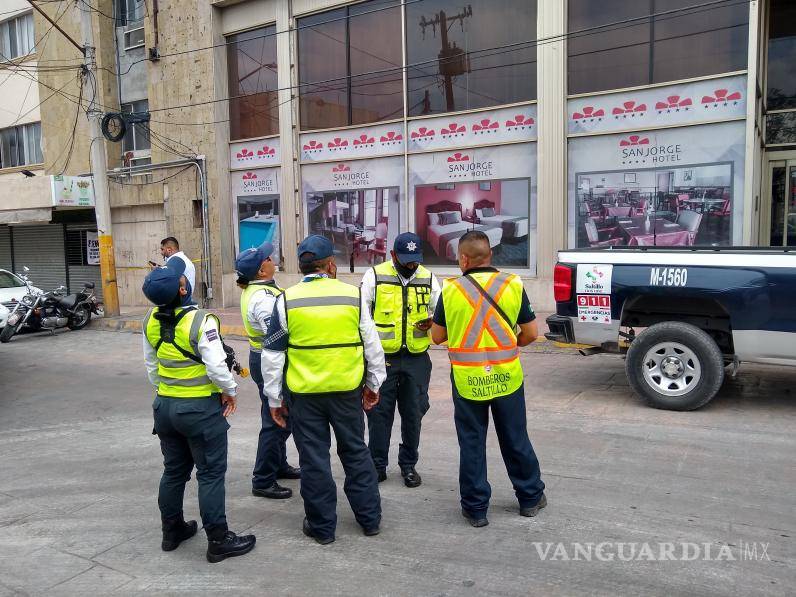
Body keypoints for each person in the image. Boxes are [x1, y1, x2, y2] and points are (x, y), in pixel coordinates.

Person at [260, 235, 386, 544]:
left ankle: (322, 528)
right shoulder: (353, 296)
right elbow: (372, 346)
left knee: (314, 460)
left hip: (305, 398)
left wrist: (274, 399)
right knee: (356, 452)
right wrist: (373, 384)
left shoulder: (285, 300)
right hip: (346, 393)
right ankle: (370, 520)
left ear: (302, 268)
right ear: (331, 265)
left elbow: (273, 356)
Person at [430, 230, 546, 528]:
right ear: (490, 255)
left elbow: (438, 336)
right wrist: (507, 344)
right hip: (507, 378)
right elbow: (531, 333)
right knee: (515, 438)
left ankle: (476, 509)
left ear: (464, 259)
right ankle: (530, 498)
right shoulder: (511, 284)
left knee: (472, 443)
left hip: (468, 381)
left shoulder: (451, 290)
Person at [142, 263, 256, 562]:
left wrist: (167, 392)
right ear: (182, 290)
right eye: (183, 279)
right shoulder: (200, 321)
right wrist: (230, 391)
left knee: (174, 471)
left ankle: (172, 531)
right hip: (199, 411)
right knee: (210, 474)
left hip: (165, 408)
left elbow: (152, 368)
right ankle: (218, 540)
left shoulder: (150, 320)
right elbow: (218, 367)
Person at [360, 232, 440, 487]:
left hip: (416, 358)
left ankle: (408, 465)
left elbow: (441, 311)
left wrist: (433, 322)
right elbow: (361, 317)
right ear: (393, 255)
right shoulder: (374, 275)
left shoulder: (428, 278)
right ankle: (377, 465)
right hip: (383, 359)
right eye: (406, 260)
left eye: (415, 260)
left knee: (413, 413)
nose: (412, 265)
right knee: (379, 413)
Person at [234, 242, 300, 500]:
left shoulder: (261, 289)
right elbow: (276, 334)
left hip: (263, 358)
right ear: (262, 271)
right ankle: (263, 478)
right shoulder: (263, 299)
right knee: (278, 420)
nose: (273, 259)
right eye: (269, 258)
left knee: (277, 415)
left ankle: (278, 465)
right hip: (270, 360)